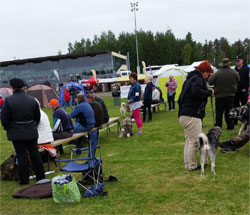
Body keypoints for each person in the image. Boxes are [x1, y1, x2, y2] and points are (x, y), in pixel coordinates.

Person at [1, 78, 45, 185]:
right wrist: (32, 125)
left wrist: (9, 128)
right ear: (23, 87)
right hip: (30, 130)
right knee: (35, 154)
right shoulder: (32, 99)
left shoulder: (9, 101)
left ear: (12, 87)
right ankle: (41, 177)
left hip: (16, 132)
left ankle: (24, 179)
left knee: (21, 156)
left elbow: (4, 119)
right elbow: (37, 117)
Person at [178, 61, 214, 171]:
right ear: (204, 71)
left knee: (189, 141)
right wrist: (209, 93)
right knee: (193, 141)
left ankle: (188, 164)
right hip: (192, 114)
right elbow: (196, 92)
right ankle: (191, 166)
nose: (208, 76)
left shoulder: (189, 79)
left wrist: (180, 113)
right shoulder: (198, 80)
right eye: (208, 73)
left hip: (184, 114)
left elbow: (180, 98)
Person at [208, 58, 240, 130]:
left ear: (222, 64)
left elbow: (210, 82)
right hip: (230, 95)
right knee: (229, 111)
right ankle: (230, 125)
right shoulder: (234, 72)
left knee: (219, 112)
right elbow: (238, 79)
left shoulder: (217, 73)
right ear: (229, 64)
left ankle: (218, 126)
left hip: (219, 95)